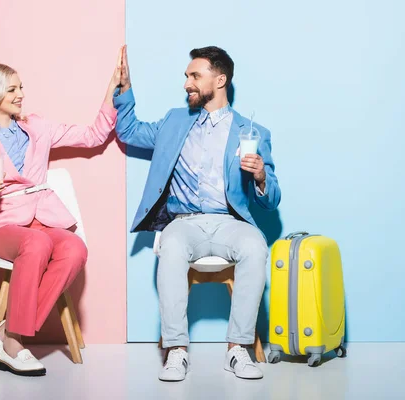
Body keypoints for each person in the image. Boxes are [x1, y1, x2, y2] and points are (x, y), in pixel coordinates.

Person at [113, 45, 281, 381]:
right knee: (171, 247)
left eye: (195, 76)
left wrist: (261, 175)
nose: (187, 83)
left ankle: (238, 349)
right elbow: (129, 132)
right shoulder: (175, 121)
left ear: (219, 80)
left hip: (230, 223)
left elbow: (271, 200)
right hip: (184, 222)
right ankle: (176, 351)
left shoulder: (254, 132)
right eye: (186, 76)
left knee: (255, 246)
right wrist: (125, 90)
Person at [0, 48, 123, 376]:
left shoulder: (38, 127)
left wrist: (112, 89)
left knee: (75, 248)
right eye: (12, 89)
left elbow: (92, 135)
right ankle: (15, 345)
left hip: (43, 219)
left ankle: (7, 333)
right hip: (3, 228)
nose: (21, 94)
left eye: (21, 87)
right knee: (36, 244)